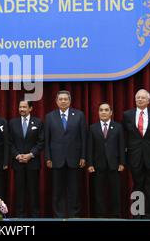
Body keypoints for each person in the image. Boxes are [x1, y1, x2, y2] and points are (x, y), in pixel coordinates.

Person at [44, 90, 87, 218]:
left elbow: (83, 137)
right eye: (60, 99)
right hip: (56, 159)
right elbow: (47, 139)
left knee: (74, 190)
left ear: (70, 101)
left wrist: (83, 156)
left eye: (65, 99)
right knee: (57, 190)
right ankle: (59, 215)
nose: (63, 101)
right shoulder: (50, 116)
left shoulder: (79, 115)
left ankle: (74, 215)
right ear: (56, 101)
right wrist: (48, 157)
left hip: (74, 159)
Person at [123, 89, 150, 219]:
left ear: (148, 100)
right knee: (137, 185)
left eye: (142, 98)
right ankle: (137, 214)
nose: (139, 99)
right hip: (134, 157)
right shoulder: (127, 115)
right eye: (138, 97)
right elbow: (124, 137)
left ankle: (148, 215)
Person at [87, 103, 125, 218]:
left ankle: (115, 215)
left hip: (114, 165)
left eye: (106, 110)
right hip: (98, 165)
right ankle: (100, 215)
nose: (103, 112)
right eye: (101, 110)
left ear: (111, 112)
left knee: (115, 192)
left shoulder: (118, 127)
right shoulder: (93, 128)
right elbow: (90, 147)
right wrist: (90, 164)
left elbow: (121, 145)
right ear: (98, 112)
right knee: (99, 193)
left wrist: (122, 162)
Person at [9, 99, 44, 218]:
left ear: (31, 108)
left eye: (24, 107)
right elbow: (9, 142)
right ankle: (20, 216)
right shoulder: (13, 123)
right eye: (20, 107)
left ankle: (35, 216)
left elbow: (41, 142)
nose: (22, 109)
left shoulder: (38, 122)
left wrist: (30, 155)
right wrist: (17, 155)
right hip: (18, 162)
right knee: (19, 192)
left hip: (33, 162)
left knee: (34, 192)